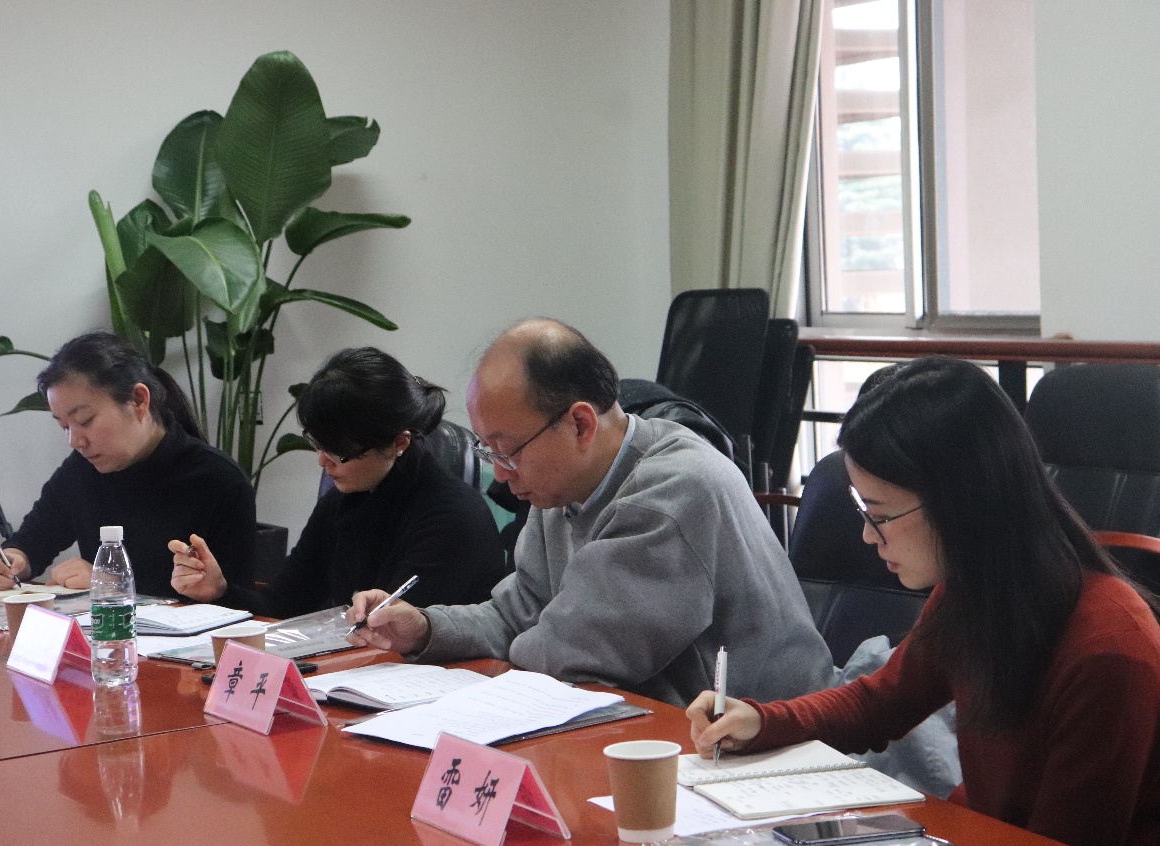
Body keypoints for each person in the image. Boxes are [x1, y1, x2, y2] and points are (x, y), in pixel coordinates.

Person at [687, 356, 1160, 846]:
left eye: (879, 515)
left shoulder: (1108, 652)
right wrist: (762, 722)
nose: (868, 536)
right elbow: (879, 704)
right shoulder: (974, 592)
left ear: (960, 503)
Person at [348, 318, 834, 707]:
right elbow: (517, 614)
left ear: (580, 424)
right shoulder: (561, 488)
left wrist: (508, 648)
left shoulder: (673, 491)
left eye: (507, 450)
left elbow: (569, 653)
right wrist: (426, 628)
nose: (499, 473)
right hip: (663, 733)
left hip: (768, 745)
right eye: (488, 451)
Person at [168, 347, 505, 616]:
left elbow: (400, 636)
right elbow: (280, 605)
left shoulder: (453, 519)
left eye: (339, 451)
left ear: (398, 443)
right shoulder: (346, 499)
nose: (322, 460)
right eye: (318, 443)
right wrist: (219, 592)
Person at [0, 332, 256, 598]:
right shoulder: (81, 471)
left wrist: (115, 585)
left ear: (138, 400)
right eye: (65, 426)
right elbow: (33, 540)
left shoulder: (218, 480)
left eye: (85, 421)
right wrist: (12, 560)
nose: (75, 441)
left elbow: (242, 608)